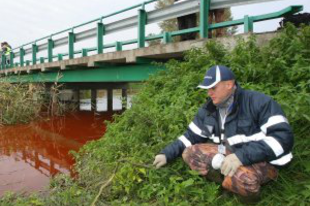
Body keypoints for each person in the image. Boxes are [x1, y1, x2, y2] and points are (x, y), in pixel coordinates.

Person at [153, 65, 293, 200]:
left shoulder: (259, 102)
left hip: (263, 160)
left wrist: (240, 157)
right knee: (189, 153)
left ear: (229, 85)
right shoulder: (209, 110)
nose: (209, 93)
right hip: (229, 155)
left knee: (246, 181)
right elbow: (190, 136)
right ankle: (227, 183)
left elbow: (283, 138)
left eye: (213, 88)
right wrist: (166, 154)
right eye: (208, 88)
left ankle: (246, 196)